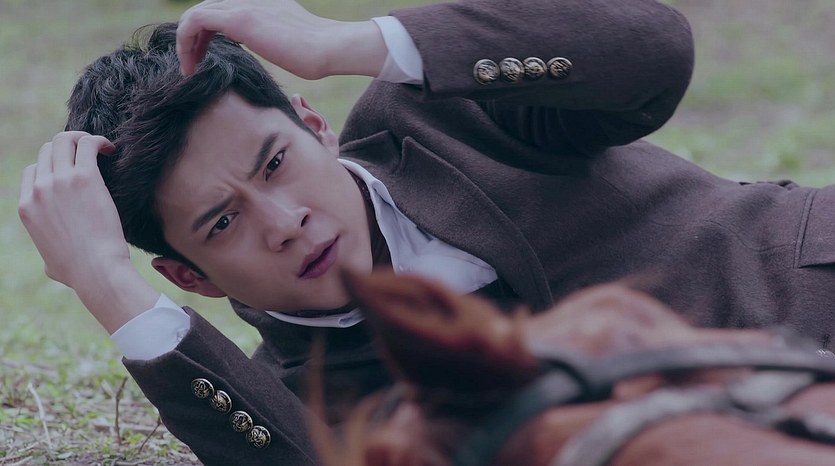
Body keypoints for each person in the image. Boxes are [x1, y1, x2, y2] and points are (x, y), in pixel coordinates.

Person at [16, 0, 835, 464]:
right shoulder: (294, 404)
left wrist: (348, 43)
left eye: (275, 164)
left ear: (313, 124)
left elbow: (650, 49)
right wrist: (109, 287)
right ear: (190, 277)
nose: (286, 222)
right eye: (223, 223)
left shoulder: (440, 117)